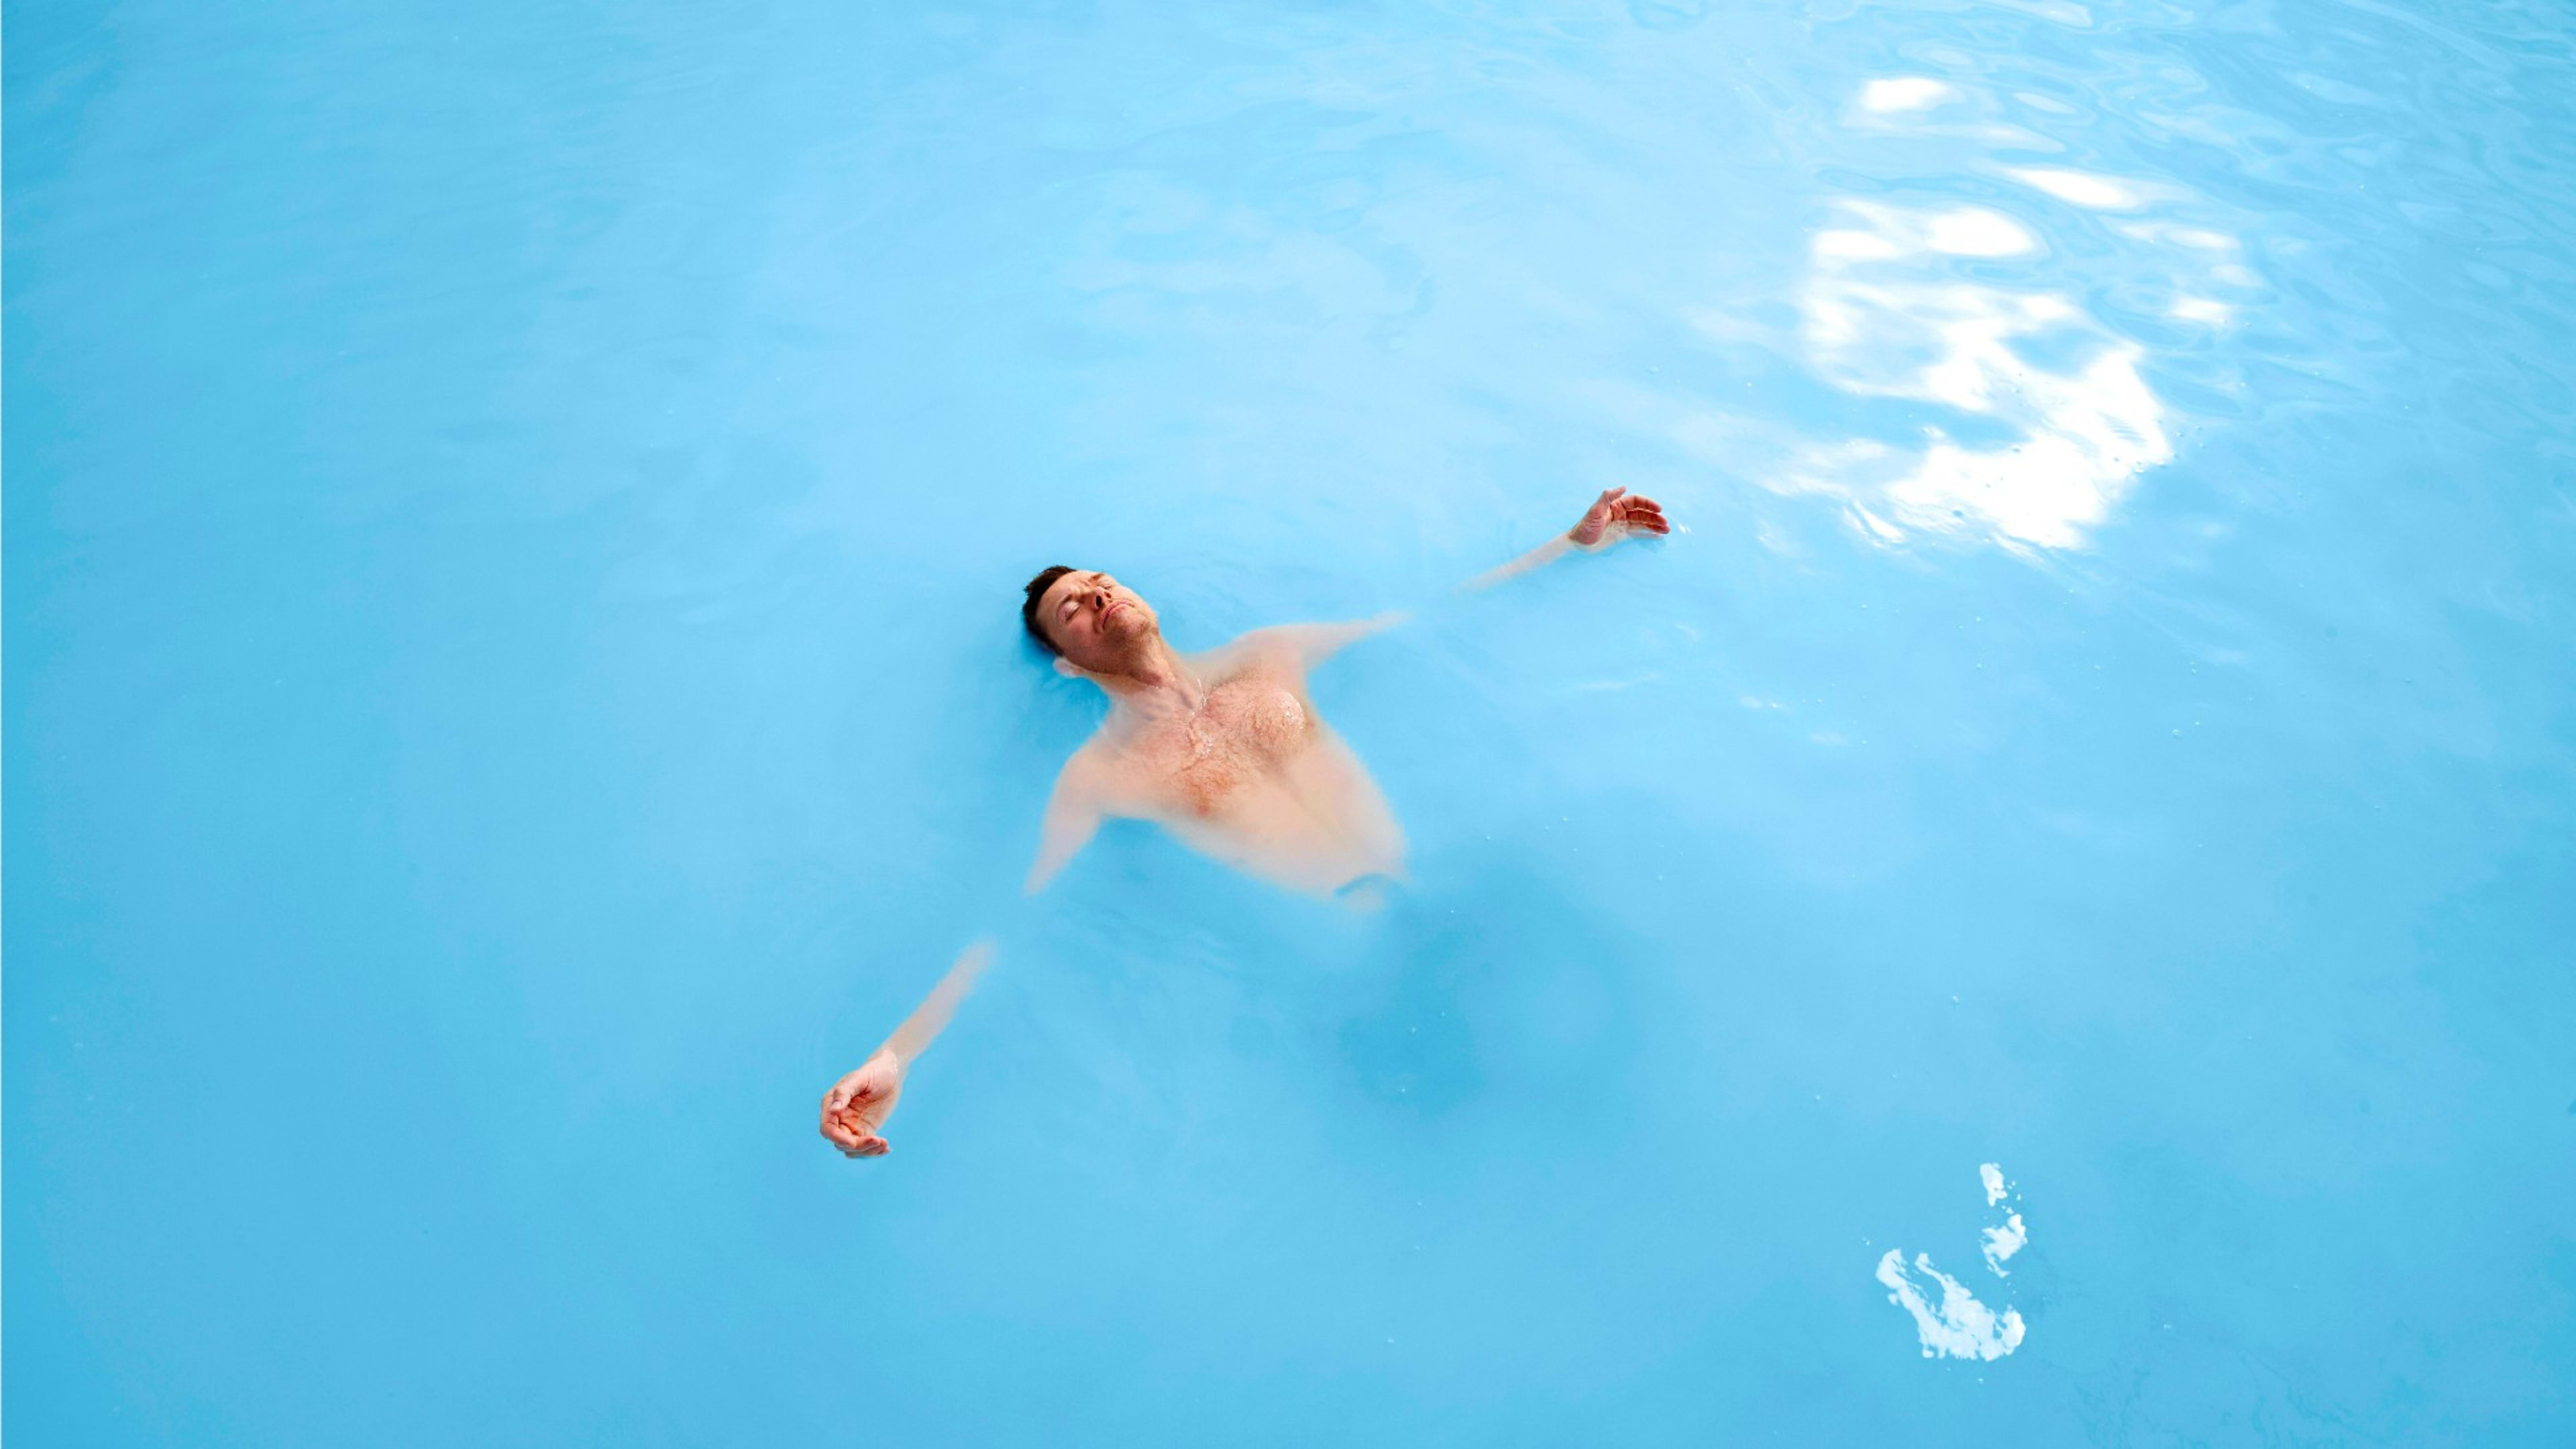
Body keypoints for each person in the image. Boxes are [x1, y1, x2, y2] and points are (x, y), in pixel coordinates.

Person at [820, 487, 1671, 1158]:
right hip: (1367, 962)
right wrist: (902, 1052)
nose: (1097, 595)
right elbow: (1016, 920)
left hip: (1448, 898)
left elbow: (1433, 616)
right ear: (1067, 667)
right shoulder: (1103, 774)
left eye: (1101, 581)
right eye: (1072, 610)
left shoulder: (1270, 653)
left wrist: (1572, 544)